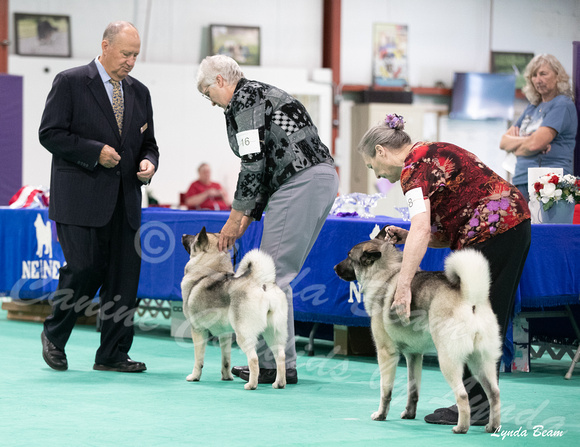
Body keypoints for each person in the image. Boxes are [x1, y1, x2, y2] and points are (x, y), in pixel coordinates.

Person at [358, 113, 531, 426]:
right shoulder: (431, 151)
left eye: (373, 166)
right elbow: (440, 231)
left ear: (381, 152)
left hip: (490, 232)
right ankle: (482, 404)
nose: (379, 174)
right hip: (515, 222)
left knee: (469, 315)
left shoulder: (411, 172)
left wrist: (403, 287)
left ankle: (473, 407)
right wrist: (408, 236)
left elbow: (423, 228)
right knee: (486, 314)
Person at [196, 55, 339, 384]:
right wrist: (246, 217)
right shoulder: (264, 94)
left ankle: (275, 364)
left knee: (267, 278)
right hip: (317, 179)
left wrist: (234, 220)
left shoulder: (244, 98)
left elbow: (253, 164)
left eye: (207, 93)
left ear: (220, 81)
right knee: (274, 276)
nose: (210, 101)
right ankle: (278, 361)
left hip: (298, 181)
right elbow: (266, 163)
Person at [38, 21, 159, 373]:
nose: (131, 62)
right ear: (105, 46)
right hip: (78, 199)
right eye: (125, 54)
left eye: (136, 55)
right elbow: (50, 134)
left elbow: (148, 142)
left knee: (124, 280)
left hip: (125, 200)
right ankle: (55, 335)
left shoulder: (140, 92)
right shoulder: (70, 82)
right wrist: (94, 152)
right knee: (84, 268)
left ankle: (112, 354)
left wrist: (150, 162)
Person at [500, 53, 577, 201]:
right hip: (522, 179)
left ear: (558, 76)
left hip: (550, 184)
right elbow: (503, 142)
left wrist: (521, 144)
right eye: (534, 75)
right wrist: (527, 141)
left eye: (543, 74)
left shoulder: (562, 104)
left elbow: (535, 144)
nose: (537, 79)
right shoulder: (532, 107)